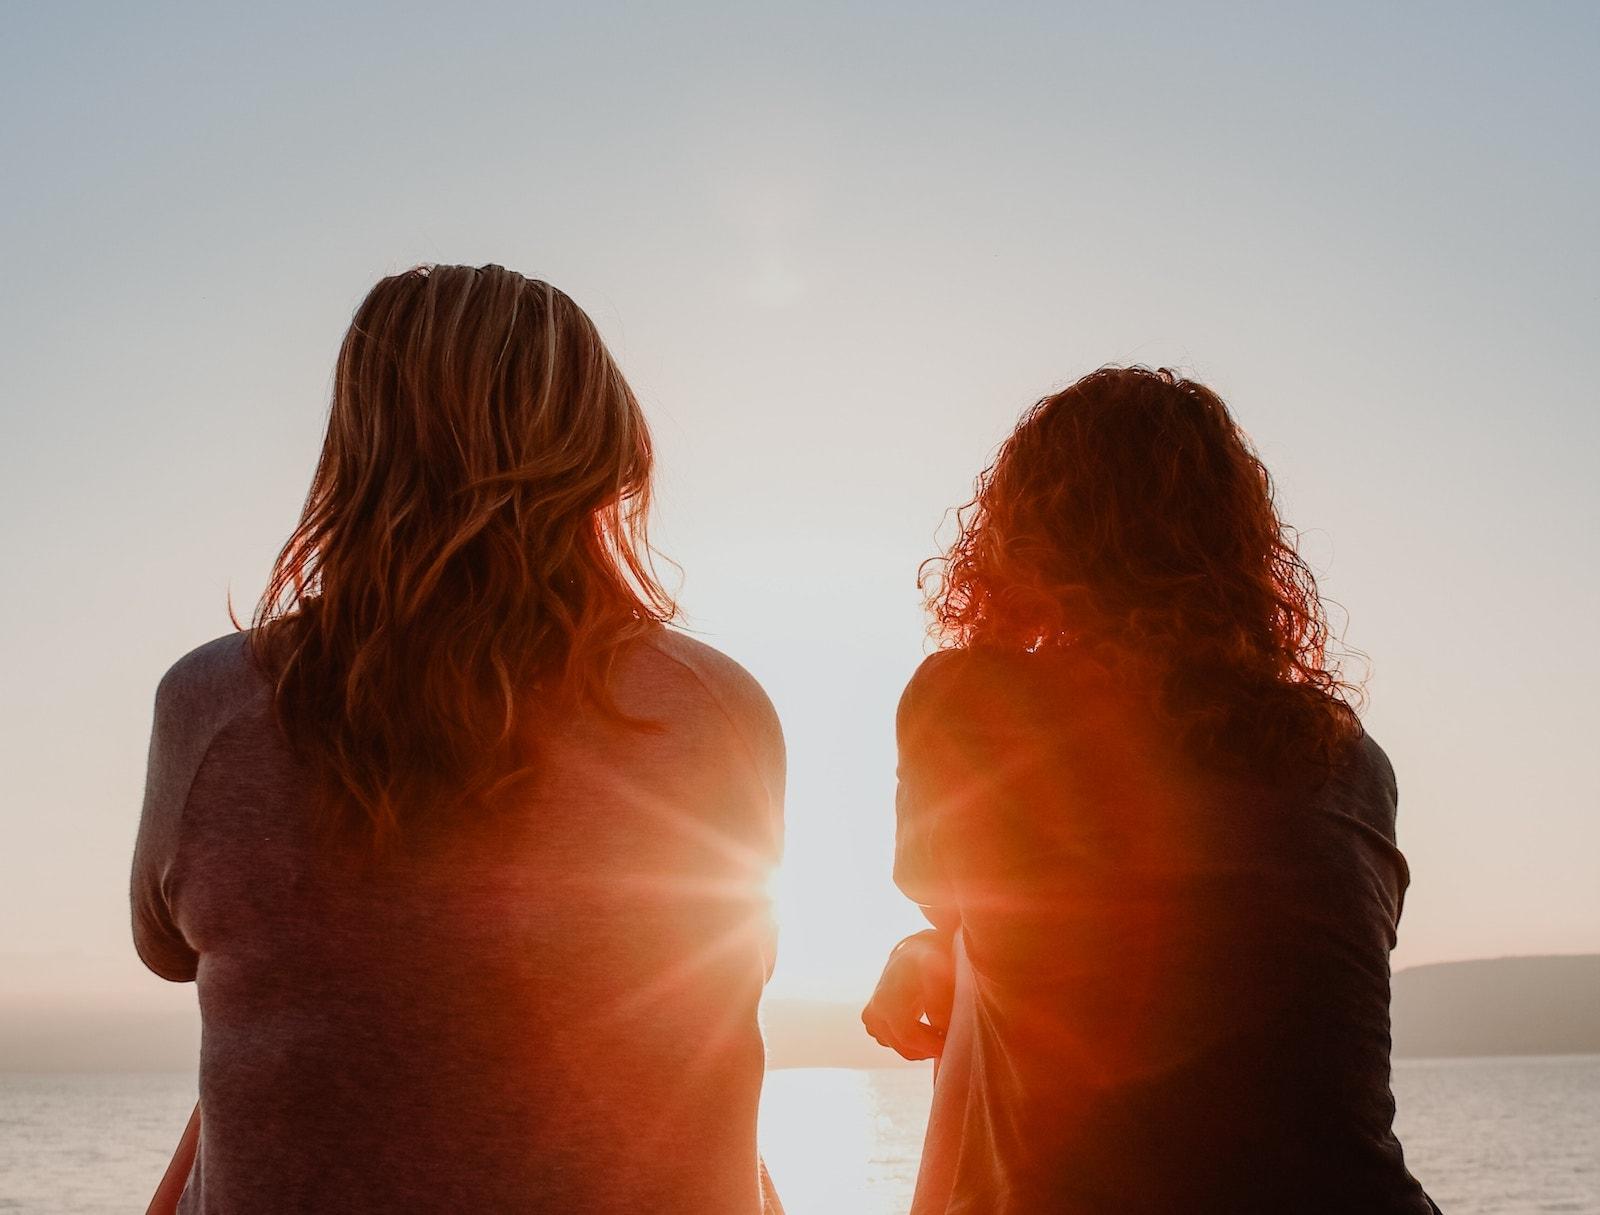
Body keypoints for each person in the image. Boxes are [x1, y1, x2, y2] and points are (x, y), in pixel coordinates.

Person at [131, 265, 786, 1214]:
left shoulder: (217, 702)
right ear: (602, 444)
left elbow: (168, 948)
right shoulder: (715, 708)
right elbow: (735, 968)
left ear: (354, 445)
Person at [863, 368, 1439, 1214]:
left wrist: (927, 950)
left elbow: (961, 905)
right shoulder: (1347, 753)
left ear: (1022, 538)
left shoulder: (969, 706)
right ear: (1240, 549)